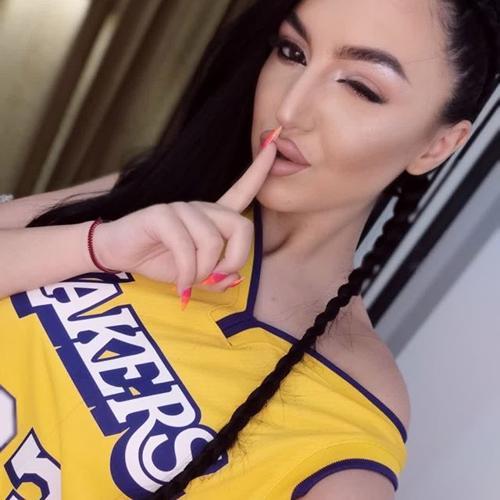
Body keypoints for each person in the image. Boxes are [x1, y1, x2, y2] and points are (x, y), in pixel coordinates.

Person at [0, 0, 498, 498]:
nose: (289, 109)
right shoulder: (165, 200)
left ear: (436, 146)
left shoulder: (346, 416)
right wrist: (97, 247)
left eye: (360, 87)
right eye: (292, 52)